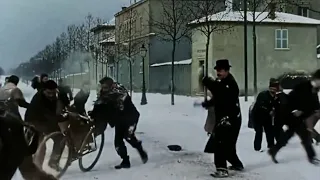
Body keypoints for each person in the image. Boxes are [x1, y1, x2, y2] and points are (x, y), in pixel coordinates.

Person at [0, 75, 56, 179]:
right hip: (13, 128)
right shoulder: (15, 90)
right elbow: (20, 102)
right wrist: (31, 107)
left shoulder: (2, 89)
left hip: (10, 132)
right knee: (28, 169)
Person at [90, 77, 148, 169]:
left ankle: (141, 151)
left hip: (130, 117)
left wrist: (106, 112)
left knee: (129, 136)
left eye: (105, 87)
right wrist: (94, 114)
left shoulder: (119, 91)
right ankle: (125, 161)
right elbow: (99, 103)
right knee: (118, 142)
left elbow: (117, 107)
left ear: (111, 86)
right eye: (102, 87)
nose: (103, 89)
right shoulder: (105, 93)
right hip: (119, 120)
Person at [201, 59, 243, 178]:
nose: (218, 72)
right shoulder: (222, 82)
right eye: (217, 70)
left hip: (230, 119)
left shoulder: (230, 84)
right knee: (228, 145)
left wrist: (207, 82)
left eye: (221, 70)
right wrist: (208, 104)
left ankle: (222, 169)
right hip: (226, 118)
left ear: (227, 71)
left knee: (220, 143)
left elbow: (220, 93)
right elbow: (218, 97)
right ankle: (237, 164)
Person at [268, 69, 320, 165]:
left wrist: (311, 110)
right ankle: (312, 157)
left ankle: (273, 150)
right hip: (290, 114)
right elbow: (292, 98)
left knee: (290, 134)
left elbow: (313, 105)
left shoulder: (314, 89)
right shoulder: (303, 86)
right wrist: (297, 109)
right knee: (304, 136)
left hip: (299, 117)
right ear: (316, 79)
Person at [25, 80, 65, 171]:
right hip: (34, 121)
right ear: (43, 90)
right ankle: (37, 168)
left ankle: (53, 162)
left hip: (46, 121)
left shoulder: (55, 95)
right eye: (48, 93)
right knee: (41, 145)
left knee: (60, 139)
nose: (51, 95)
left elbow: (59, 105)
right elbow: (47, 114)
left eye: (53, 92)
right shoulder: (38, 99)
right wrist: (60, 118)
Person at [251, 78, 280, 152]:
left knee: (269, 131)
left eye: (275, 90)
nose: (273, 92)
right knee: (259, 132)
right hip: (257, 116)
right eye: (272, 90)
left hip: (267, 117)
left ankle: (271, 146)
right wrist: (269, 111)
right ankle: (257, 148)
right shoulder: (263, 95)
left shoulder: (276, 98)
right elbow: (260, 105)